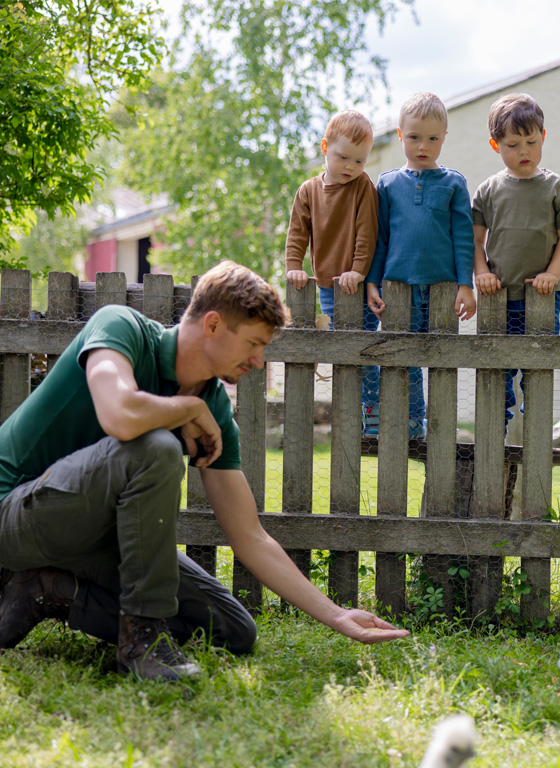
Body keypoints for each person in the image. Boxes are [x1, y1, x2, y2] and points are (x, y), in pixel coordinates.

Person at [0, 261, 408, 682]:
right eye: (253, 342)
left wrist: (337, 615)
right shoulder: (119, 328)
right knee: (155, 446)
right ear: (213, 324)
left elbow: (250, 536)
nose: (259, 359)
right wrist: (186, 409)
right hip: (14, 514)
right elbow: (119, 415)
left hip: (91, 538)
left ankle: (47, 593)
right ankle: (143, 640)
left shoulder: (212, 406)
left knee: (232, 629)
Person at [364, 93, 477, 439]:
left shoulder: (454, 183)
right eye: (414, 137)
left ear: (444, 137)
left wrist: (465, 284)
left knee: (440, 357)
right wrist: (372, 282)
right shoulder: (386, 184)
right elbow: (379, 238)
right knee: (404, 358)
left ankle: (439, 427)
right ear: (400, 135)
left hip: (443, 288)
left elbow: (462, 237)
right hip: (399, 288)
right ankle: (411, 421)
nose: (422, 146)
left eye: (432, 138)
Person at [471, 93, 560, 428]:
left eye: (532, 142)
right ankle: (495, 439)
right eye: (513, 144)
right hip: (497, 298)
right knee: (497, 375)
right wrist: (481, 271)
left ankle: (536, 438)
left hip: (541, 298)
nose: (524, 152)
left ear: (543, 137)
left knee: (536, 371)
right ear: (495, 145)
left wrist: (553, 273)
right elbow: (475, 240)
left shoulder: (556, 188)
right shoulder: (488, 190)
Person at [284, 109, 378, 396]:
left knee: (364, 350)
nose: (351, 166)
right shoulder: (308, 191)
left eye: (359, 160)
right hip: (327, 284)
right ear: (325, 148)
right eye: (343, 157)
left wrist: (358, 270)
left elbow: (367, 233)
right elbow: (298, 233)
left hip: (357, 285)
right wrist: (294, 265)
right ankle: (350, 406)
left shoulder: (363, 187)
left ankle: (371, 408)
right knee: (341, 351)